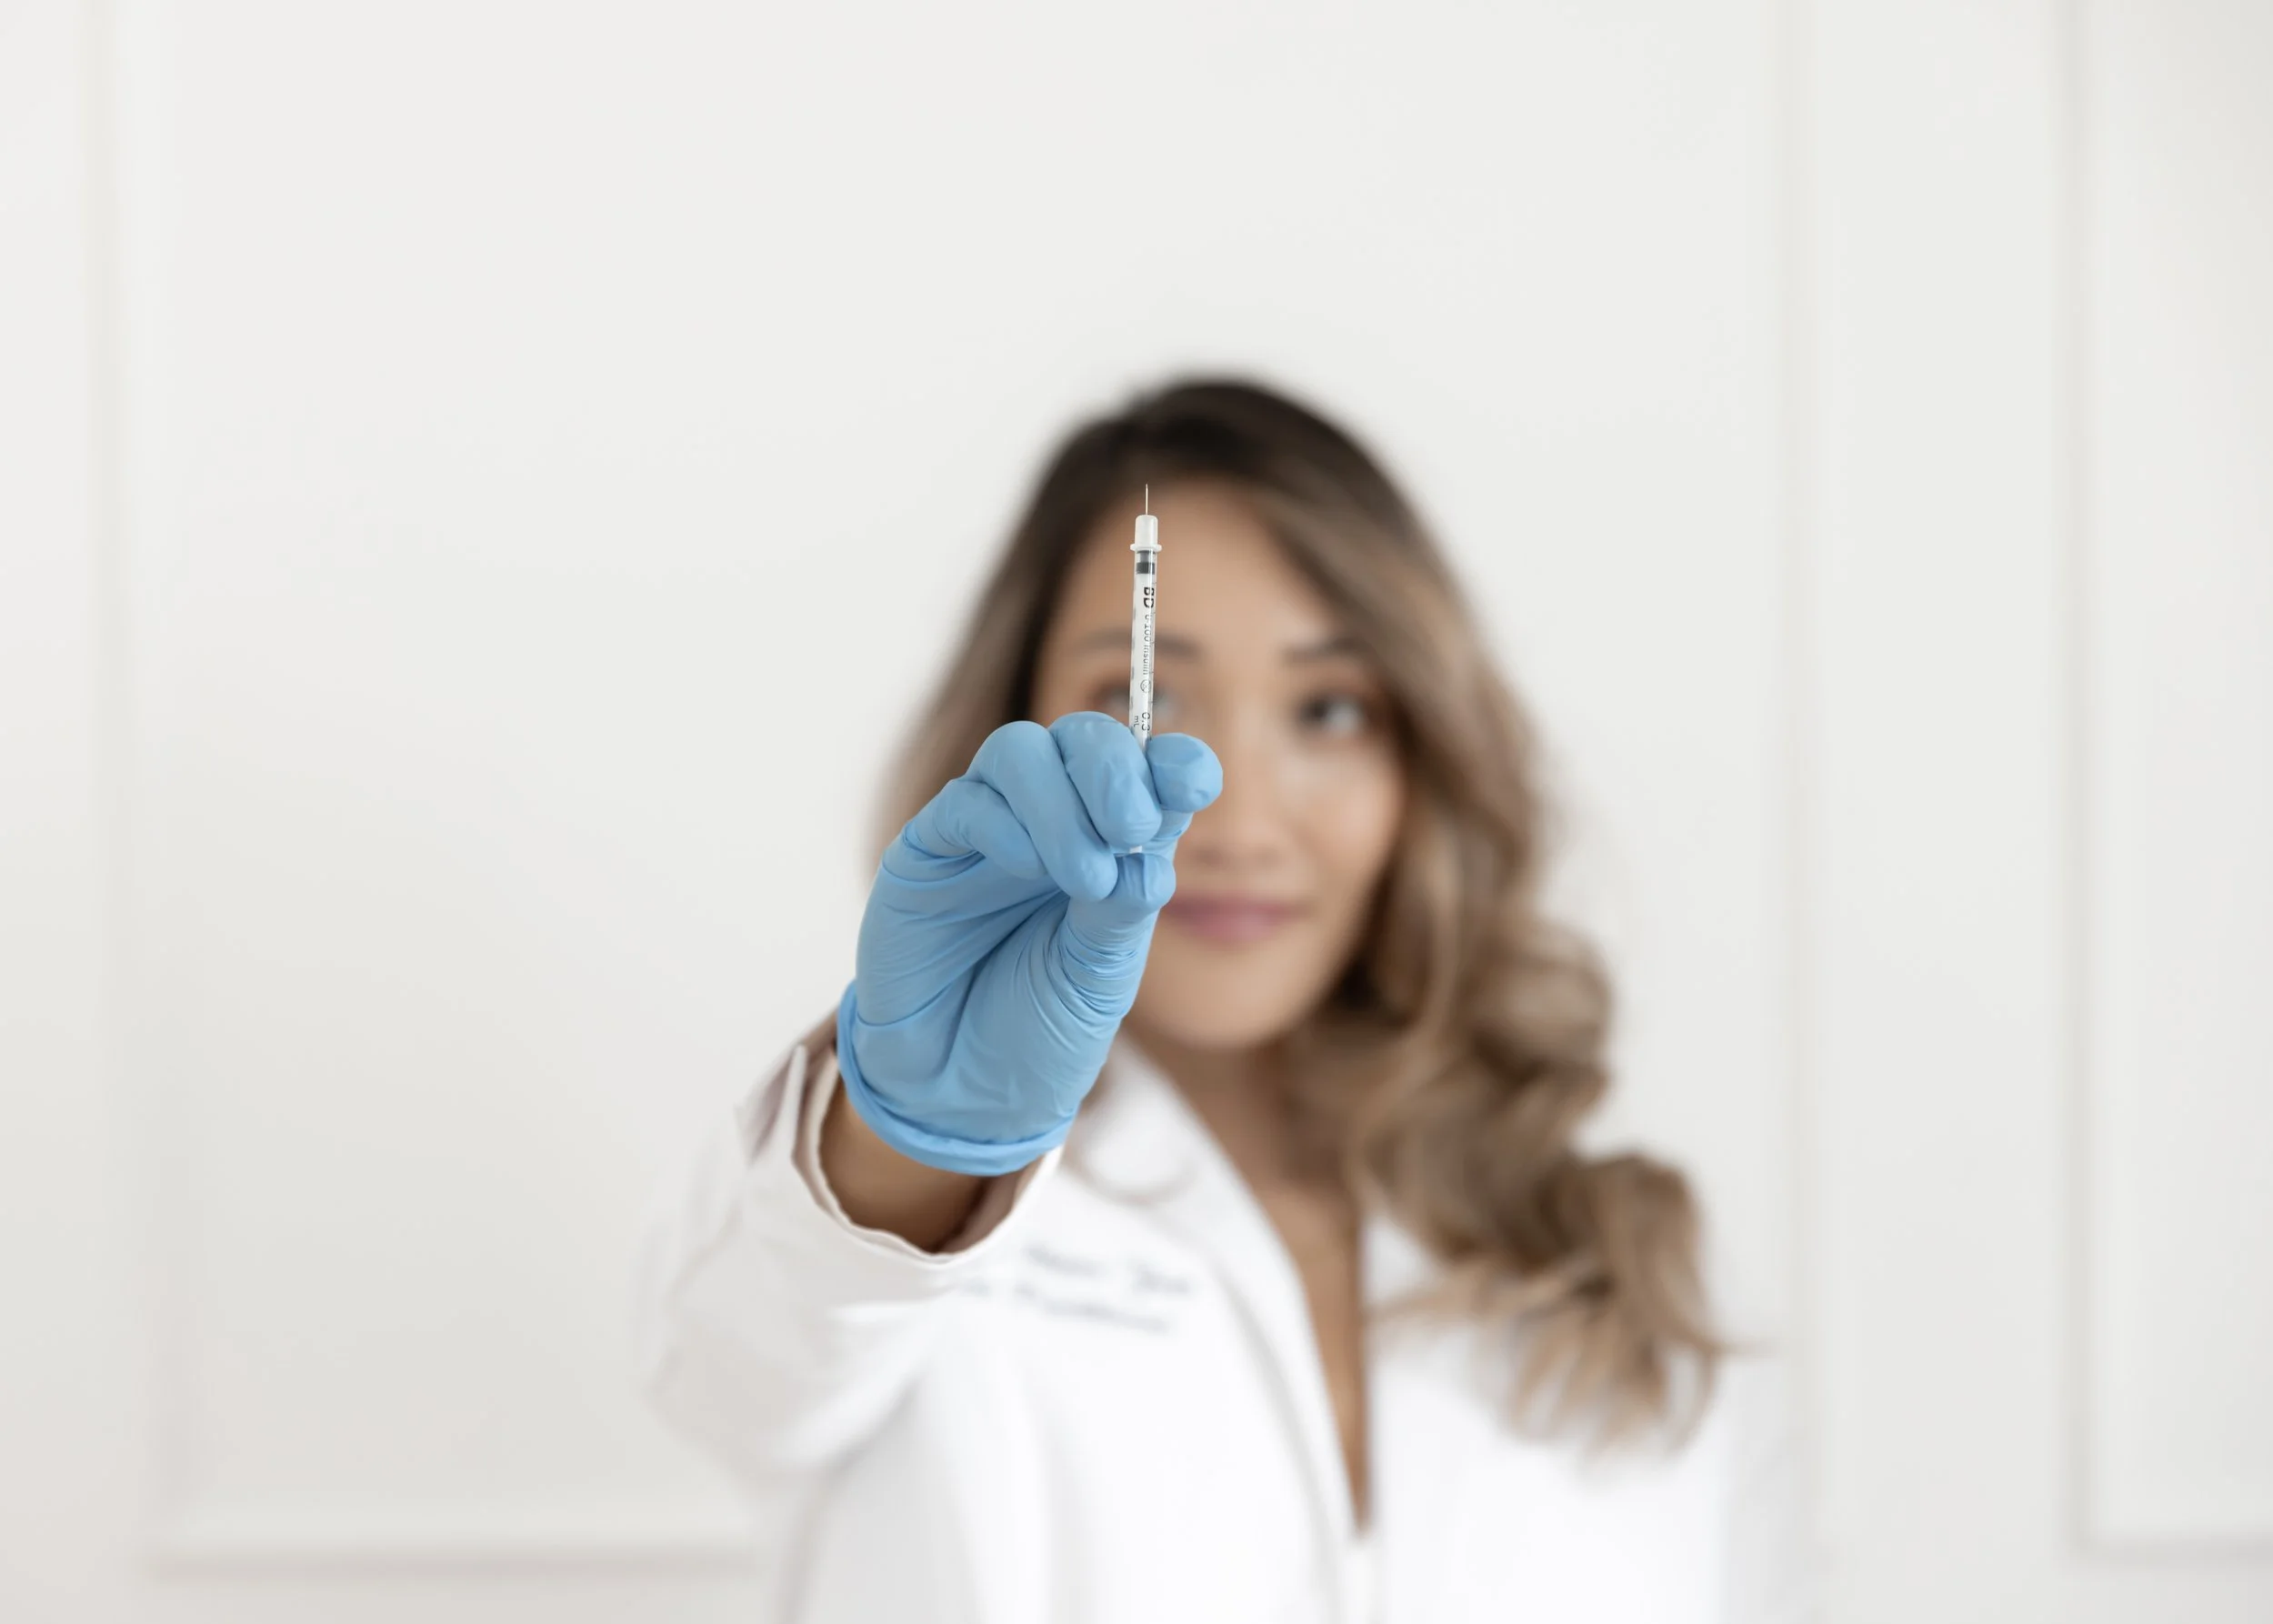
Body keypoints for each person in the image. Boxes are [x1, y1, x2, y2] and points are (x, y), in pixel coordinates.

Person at [632, 376, 1817, 1622]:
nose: (1236, 818)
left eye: (1329, 710)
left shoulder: (1633, 1276)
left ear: (1423, 760)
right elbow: (722, 1370)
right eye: (1139, 695)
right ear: (1012, 729)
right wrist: (915, 1142)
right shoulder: (910, 1245)